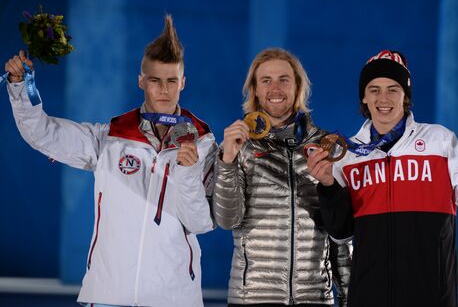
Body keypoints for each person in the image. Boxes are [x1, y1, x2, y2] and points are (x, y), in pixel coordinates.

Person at [4, 15, 216, 307]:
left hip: (174, 297)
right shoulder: (110, 138)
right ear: (141, 80)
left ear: (183, 82)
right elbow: (44, 134)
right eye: (155, 80)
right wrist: (20, 87)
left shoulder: (203, 142)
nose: (164, 90)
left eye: (171, 81)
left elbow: (202, 222)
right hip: (108, 295)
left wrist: (188, 171)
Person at [306, 50, 458, 307]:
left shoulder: (440, 141)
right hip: (369, 297)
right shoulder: (347, 154)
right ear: (364, 97)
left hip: (431, 296)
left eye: (393, 89)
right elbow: (341, 233)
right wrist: (328, 185)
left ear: (406, 96)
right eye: (374, 89)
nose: (383, 98)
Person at [212, 48, 352, 306]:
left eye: (283, 80)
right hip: (252, 298)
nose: (275, 88)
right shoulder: (238, 147)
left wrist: (348, 297)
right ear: (254, 89)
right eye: (266, 80)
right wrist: (227, 161)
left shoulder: (325, 147)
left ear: (298, 87)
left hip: (315, 298)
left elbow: (341, 237)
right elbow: (227, 220)